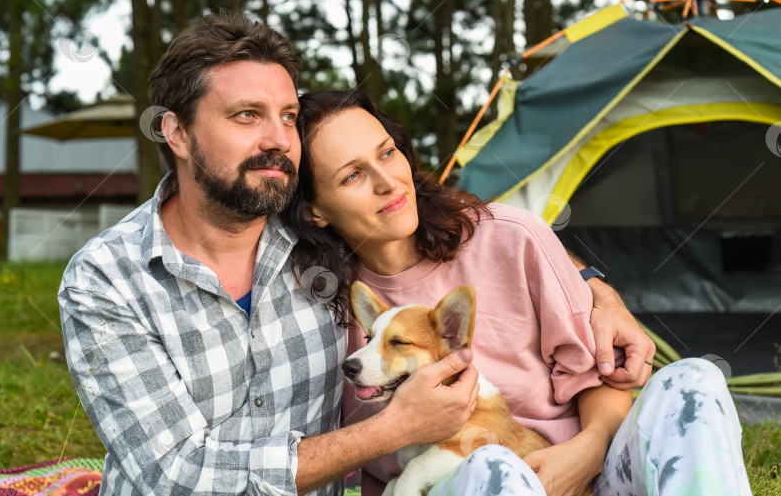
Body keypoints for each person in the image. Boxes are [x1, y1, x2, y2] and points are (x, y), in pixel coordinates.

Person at [59, 10, 653, 496]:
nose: (275, 139)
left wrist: (597, 290)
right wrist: (391, 430)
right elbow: (175, 476)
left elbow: (484, 248)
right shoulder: (107, 281)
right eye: (246, 116)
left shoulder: (318, 252)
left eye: (287, 117)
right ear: (177, 133)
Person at [284, 89, 753, 496]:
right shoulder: (318, 309)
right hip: (448, 482)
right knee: (491, 467)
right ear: (316, 210)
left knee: (694, 380)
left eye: (387, 153)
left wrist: (586, 454)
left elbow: (598, 380)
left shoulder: (511, 237)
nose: (387, 182)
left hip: (585, 475)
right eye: (352, 176)